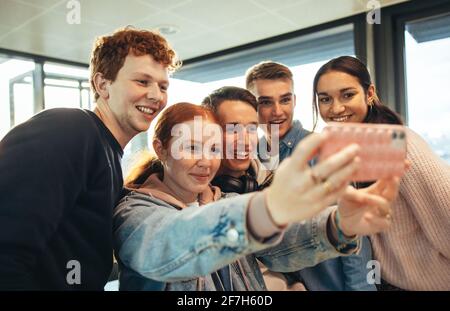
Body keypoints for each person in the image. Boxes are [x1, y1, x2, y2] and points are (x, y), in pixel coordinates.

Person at [113, 102, 400, 291]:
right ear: (161, 149)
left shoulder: (224, 201)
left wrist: (339, 225)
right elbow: (174, 242)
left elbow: (280, 246)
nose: (205, 161)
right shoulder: (135, 212)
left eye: (213, 150)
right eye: (191, 148)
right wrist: (268, 208)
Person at [0, 27, 180, 290]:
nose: (156, 95)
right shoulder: (69, 129)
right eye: (142, 82)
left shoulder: (108, 154)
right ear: (102, 85)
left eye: (163, 86)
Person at [312, 55, 450, 291]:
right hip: (388, 283)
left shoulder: (400, 143)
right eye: (325, 99)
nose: (336, 108)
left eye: (347, 95)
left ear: (369, 93)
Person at [245, 61, 376, 291]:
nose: (277, 111)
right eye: (265, 102)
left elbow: (354, 234)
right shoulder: (250, 160)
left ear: (294, 101)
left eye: (285, 100)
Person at [201, 86, 269, 194]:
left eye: (252, 129)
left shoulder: (275, 185)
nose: (245, 142)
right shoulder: (187, 193)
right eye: (233, 129)